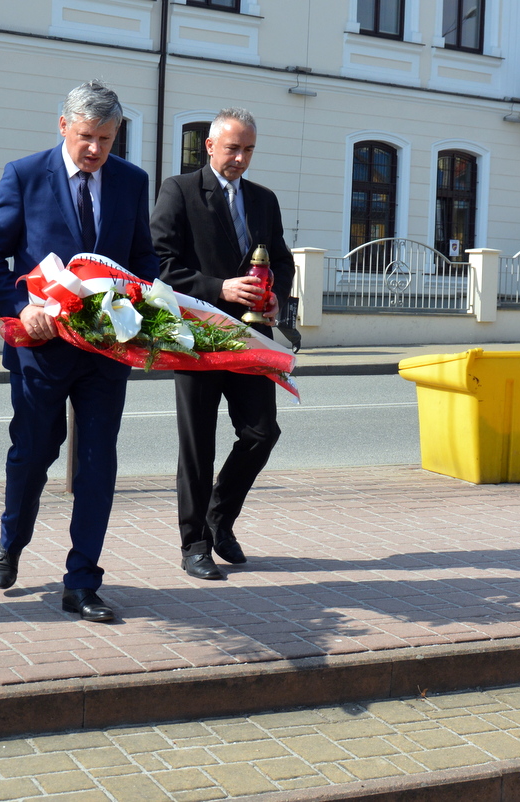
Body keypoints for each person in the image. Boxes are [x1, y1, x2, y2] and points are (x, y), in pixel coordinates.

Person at [0, 81, 159, 622]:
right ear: (62, 127)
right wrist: (18, 307)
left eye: (106, 138)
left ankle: (82, 582)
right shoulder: (26, 176)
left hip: (106, 351)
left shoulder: (131, 182)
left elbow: (143, 258)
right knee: (32, 455)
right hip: (42, 348)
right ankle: (12, 540)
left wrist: (141, 306)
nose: (95, 149)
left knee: (99, 463)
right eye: (85, 137)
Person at [150, 107, 295, 581]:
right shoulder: (179, 191)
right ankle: (194, 545)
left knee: (261, 432)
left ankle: (220, 517)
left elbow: (282, 263)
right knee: (198, 446)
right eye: (233, 148)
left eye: (249, 149)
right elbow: (161, 265)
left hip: (251, 336)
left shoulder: (264, 199)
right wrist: (220, 288)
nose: (240, 158)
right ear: (209, 146)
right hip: (196, 336)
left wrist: (277, 302)